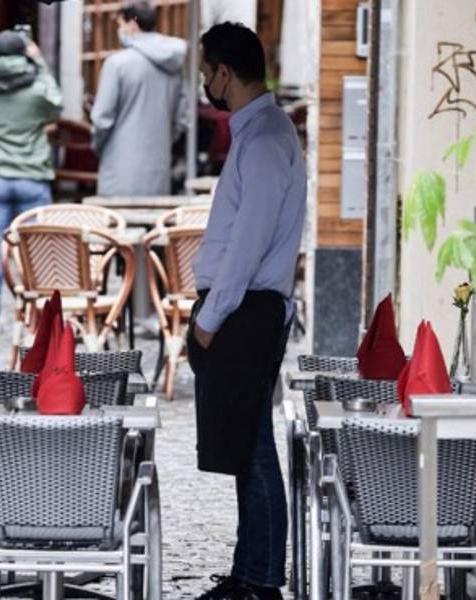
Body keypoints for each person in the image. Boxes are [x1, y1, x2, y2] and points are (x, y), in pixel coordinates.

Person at [187, 23, 306, 600]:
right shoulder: (258, 133)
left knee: (254, 446)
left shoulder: (262, 140)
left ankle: (261, 580)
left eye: (206, 70)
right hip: (244, 309)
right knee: (243, 443)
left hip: (245, 312)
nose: (205, 81)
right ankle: (248, 571)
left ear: (224, 73)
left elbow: (248, 244)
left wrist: (210, 320)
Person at [0, 30, 62, 321]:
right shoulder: (35, 89)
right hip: (32, 176)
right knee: (36, 249)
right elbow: (56, 102)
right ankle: (37, 314)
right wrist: (40, 61)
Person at [90, 0, 187, 197]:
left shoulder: (116, 64)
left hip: (118, 171)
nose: (119, 31)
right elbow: (182, 118)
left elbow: (101, 118)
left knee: (117, 226)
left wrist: (99, 146)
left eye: (120, 25)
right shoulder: (175, 65)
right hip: (159, 171)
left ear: (132, 25)